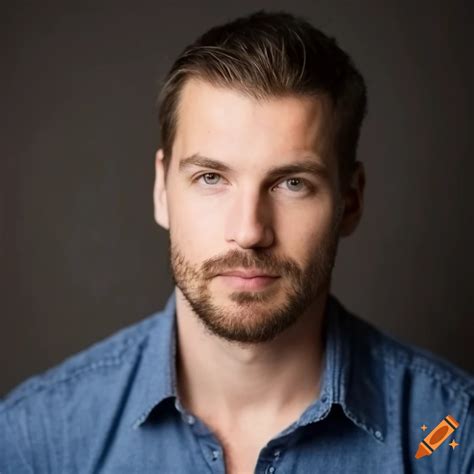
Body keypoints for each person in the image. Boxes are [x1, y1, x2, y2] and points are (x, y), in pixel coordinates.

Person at [1, 10, 472, 474]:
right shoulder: (36, 442)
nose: (249, 231)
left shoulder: (451, 436)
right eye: (211, 177)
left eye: (291, 184)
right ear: (162, 191)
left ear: (350, 202)